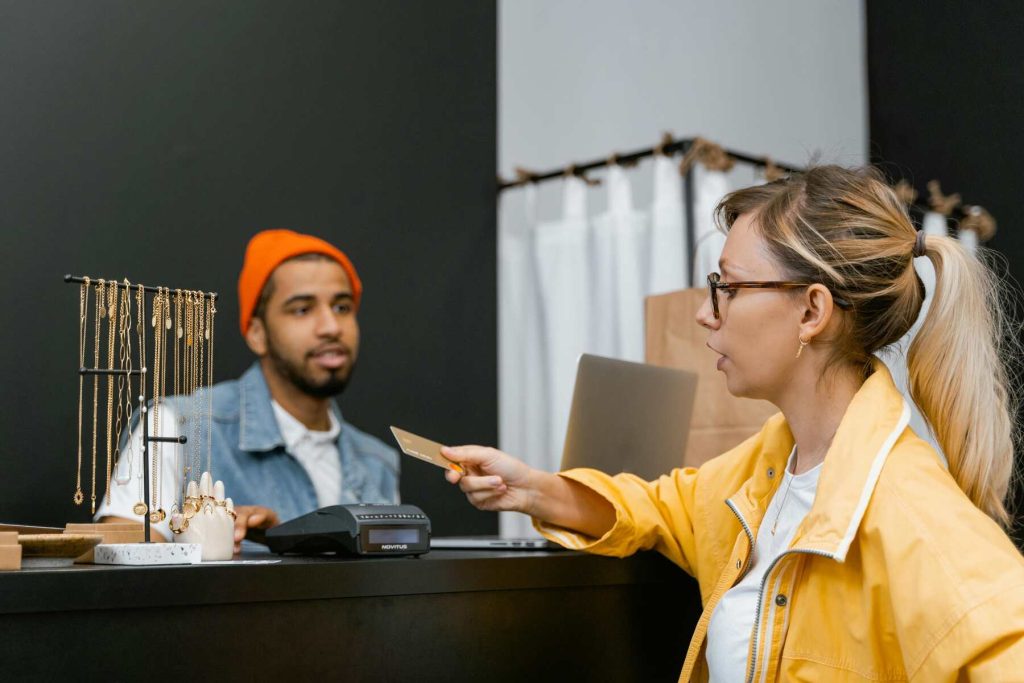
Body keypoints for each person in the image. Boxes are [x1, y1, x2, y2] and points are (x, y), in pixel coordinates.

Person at [444, 166, 1024, 681]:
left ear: (812, 311)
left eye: (728, 287)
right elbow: (665, 508)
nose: (704, 312)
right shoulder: (772, 464)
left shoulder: (911, 513)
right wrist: (532, 488)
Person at [98, 229, 399, 552]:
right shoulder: (175, 426)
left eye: (342, 307)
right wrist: (206, 543)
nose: (331, 327)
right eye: (302, 309)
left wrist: (286, 541)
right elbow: (123, 568)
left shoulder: (377, 462)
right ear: (257, 333)